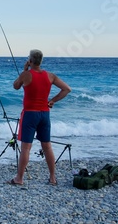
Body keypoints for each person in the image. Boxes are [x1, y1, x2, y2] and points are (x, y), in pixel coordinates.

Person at [8, 49, 71, 186]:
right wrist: (52, 100)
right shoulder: (50, 76)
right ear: (41, 61)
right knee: (47, 146)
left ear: (30, 61)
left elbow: (15, 86)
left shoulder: (26, 75)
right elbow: (66, 89)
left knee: (26, 147)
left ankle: (19, 178)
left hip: (30, 114)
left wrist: (24, 70)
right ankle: (53, 178)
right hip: (44, 114)